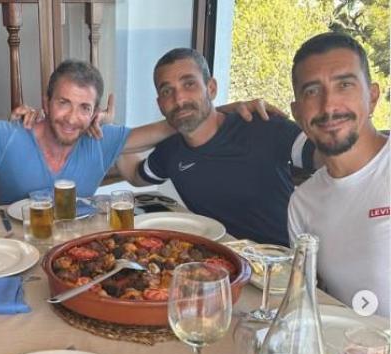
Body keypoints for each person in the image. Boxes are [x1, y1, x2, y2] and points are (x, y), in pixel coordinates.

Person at [0, 59, 270, 204]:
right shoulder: (13, 133)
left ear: (94, 111)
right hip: (17, 254)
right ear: (45, 102)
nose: (72, 118)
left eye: (84, 108)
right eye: (63, 103)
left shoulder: (103, 139)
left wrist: (219, 108)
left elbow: (173, 122)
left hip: (76, 256)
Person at [120, 48, 319, 246]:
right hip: (219, 262)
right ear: (160, 104)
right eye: (167, 91)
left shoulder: (262, 125)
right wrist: (104, 129)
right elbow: (135, 176)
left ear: (211, 88)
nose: (179, 99)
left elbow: (327, 156)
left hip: (281, 263)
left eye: (189, 84)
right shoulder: (171, 149)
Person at [287, 32, 390, 316]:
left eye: (344, 84)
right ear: (297, 112)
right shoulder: (302, 203)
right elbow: (307, 304)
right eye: (312, 91)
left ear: (372, 96)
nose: (329, 106)